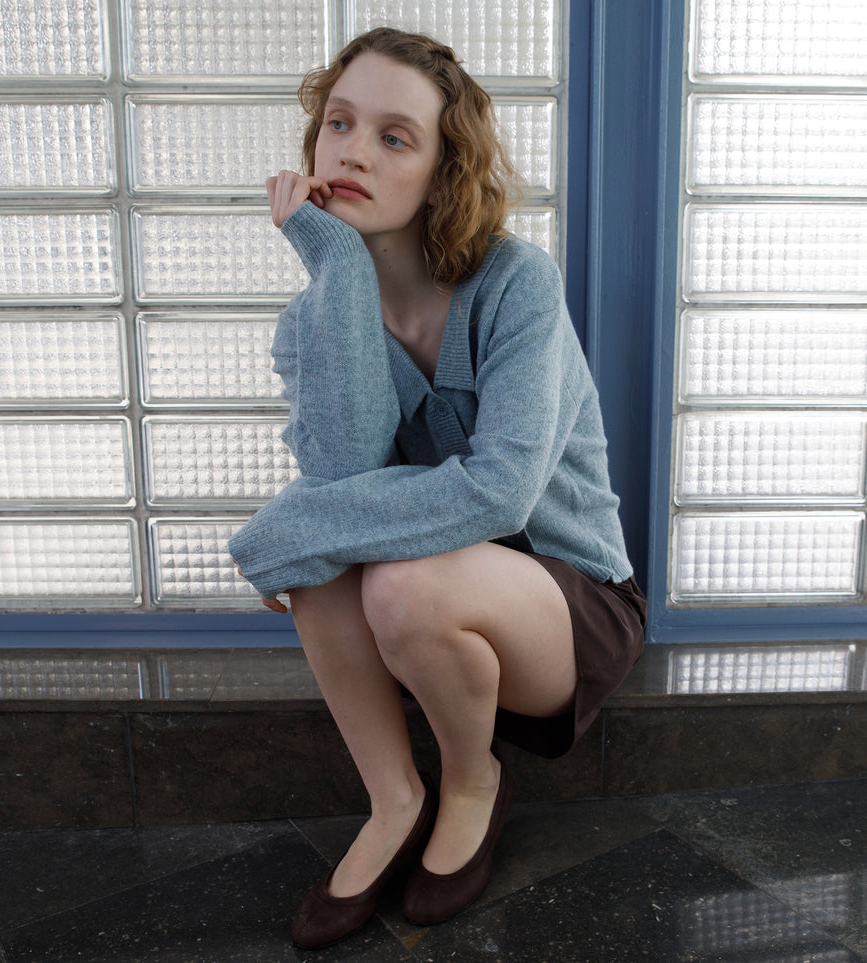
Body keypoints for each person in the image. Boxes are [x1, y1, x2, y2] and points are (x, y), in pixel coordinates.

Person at [228, 27, 646, 949]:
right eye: (338, 123)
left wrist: (285, 527)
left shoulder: (515, 284)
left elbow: (500, 493)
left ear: (443, 169)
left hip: (565, 602)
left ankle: (470, 780)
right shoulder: (310, 321)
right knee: (334, 557)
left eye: (393, 136)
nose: (350, 151)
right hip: (425, 595)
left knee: (380, 567)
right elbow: (342, 473)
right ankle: (393, 795)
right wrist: (335, 264)